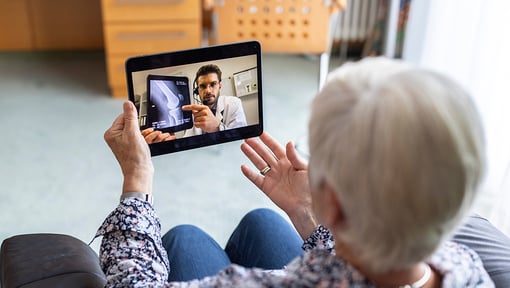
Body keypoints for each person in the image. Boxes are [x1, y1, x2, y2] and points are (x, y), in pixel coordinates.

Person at [98, 57, 497, 287]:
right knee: (262, 221)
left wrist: (137, 177)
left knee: (185, 240)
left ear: (336, 204)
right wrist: (312, 215)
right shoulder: (466, 267)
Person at [142, 64, 248, 143]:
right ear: (197, 90)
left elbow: (242, 140)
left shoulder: (233, 103)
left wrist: (217, 128)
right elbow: (188, 141)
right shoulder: (193, 113)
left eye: (213, 84)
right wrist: (172, 143)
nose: (208, 91)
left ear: (220, 86)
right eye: (202, 86)